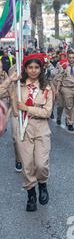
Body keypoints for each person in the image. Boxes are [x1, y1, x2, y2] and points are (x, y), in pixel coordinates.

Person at [7, 54, 53, 212]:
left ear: (41, 69)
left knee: (41, 164)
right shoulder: (17, 86)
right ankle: (31, 195)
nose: (33, 71)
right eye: (30, 67)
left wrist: (28, 109)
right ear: (25, 69)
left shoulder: (46, 87)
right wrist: (10, 80)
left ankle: (42, 184)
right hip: (23, 128)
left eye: (36, 68)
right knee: (27, 165)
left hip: (41, 127)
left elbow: (47, 112)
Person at [55, 51, 74, 131]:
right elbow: (60, 78)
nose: (71, 59)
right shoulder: (64, 66)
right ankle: (70, 123)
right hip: (67, 88)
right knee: (69, 106)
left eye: (73, 57)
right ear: (68, 58)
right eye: (70, 57)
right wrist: (57, 90)